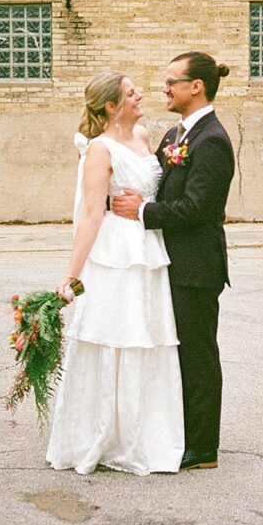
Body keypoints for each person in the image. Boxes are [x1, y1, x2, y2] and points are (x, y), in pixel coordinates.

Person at [47, 71, 184, 476]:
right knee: (116, 336)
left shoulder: (143, 137)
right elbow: (92, 213)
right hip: (116, 252)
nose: (140, 94)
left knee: (148, 336)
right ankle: (104, 434)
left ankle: (145, 434)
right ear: (111, 105)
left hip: (149, 247)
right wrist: (71, 275)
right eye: (130, 92)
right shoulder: (99, 150)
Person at [111, 52, 235, 472]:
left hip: (196, 267)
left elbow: (198, 208)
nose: (164, 88)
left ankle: (203, 448)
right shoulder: (174, 136)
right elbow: (159, 185)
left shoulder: (212, 140)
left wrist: (142, 213)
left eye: (171, 82)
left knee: (198, 355)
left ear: (195, 86)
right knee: (174, 354)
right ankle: (178, 433)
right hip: (167, 262)